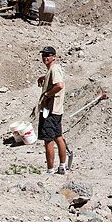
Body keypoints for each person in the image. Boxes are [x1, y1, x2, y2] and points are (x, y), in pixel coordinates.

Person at [36, 46, 70, 174]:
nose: (45, 57)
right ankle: (62, 166)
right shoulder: (53, 69)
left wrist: (47, 94)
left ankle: (50, 169)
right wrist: (44, 77)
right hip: (57, 110)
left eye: (48, 55)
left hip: (50, 110)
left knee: (48, 139)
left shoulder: (54, 69)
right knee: (58, 137)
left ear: (54, 56)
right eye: (44, 55)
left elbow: (59, 85)